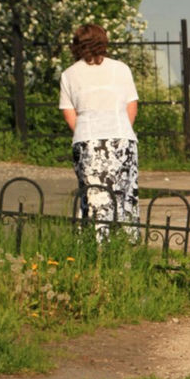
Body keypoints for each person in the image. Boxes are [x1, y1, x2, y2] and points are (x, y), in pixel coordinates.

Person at [59, 24, 140, 239]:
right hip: (122, 138)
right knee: (124, 194)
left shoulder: (69, 75)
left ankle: (96, 241)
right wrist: (119, 128)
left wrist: (86, 131)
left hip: (88, 140)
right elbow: (131, 106)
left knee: (94, 195)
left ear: (77, 45)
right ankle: (126, 240)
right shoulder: (121, 69)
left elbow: (69, 113)